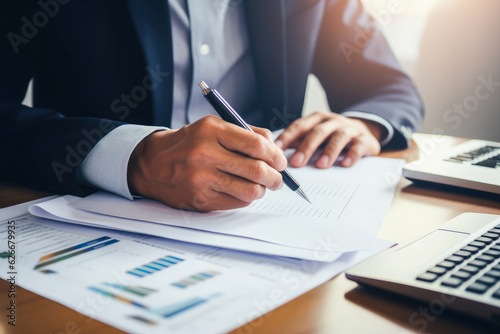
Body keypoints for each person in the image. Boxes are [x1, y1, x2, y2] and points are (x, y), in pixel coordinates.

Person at [0, 0, 423, 212]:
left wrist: (363, 124)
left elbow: (390, 86)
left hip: (264, 226)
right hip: (91, 218)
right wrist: (134, 157)